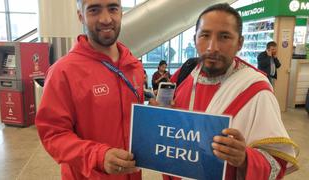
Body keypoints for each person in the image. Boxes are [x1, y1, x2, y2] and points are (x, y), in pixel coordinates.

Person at [163, 3, 298, 180]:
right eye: (205, 35)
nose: (212, 47)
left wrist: (245, 159)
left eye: (224, 36)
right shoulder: (185, 74)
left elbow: (276, 164)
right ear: (195, 38)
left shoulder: (257, 90)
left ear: (240, 43)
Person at [35, 0, 144, 179]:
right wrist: (99, 156)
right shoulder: (63, 72)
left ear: (121, 13)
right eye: (94, 10)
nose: (106, 19)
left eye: (113, 9)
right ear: (81, 16)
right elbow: (53, 135)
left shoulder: (133, 66)